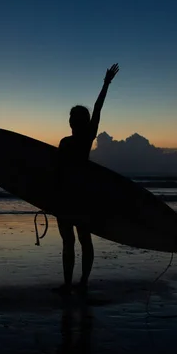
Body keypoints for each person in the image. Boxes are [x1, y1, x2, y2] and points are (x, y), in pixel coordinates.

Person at [55, 63, 119, 295]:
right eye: (71, 117)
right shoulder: (64, 142)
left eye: (75, 117)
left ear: (81, 122)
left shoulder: (84, 139)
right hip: (65, 198)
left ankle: (82, 283)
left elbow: (98, 108)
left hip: (80, 197)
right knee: (69, 242)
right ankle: (70, 283)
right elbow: (55, 171)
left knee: (83, 240)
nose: (72, 120)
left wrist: (105, 84)